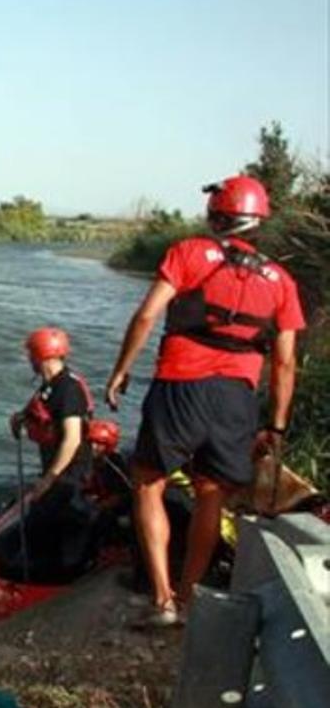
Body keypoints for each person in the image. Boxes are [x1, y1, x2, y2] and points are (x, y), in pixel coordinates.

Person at [105, 174, 305, 627]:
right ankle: (191, 598)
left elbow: (147, 315)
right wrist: (275, 425)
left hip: (180, 384)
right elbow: (286, 362)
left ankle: (162, 601)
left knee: (148, 483)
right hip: (237, 396)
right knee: (211, 494)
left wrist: (120, 370)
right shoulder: (282, 281)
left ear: (218, 215)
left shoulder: (190, 253)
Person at [0, 327, 102, 582]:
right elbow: (38, 407)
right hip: (54, 476)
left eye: (30, 355)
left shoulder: (68, 389)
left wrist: (49, 479)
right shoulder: (50, 386)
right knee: (10, 545)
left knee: (48, 552)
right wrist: (20, 418)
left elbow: (72, 439)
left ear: (39, 356)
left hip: (69, 477)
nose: (29, 360)